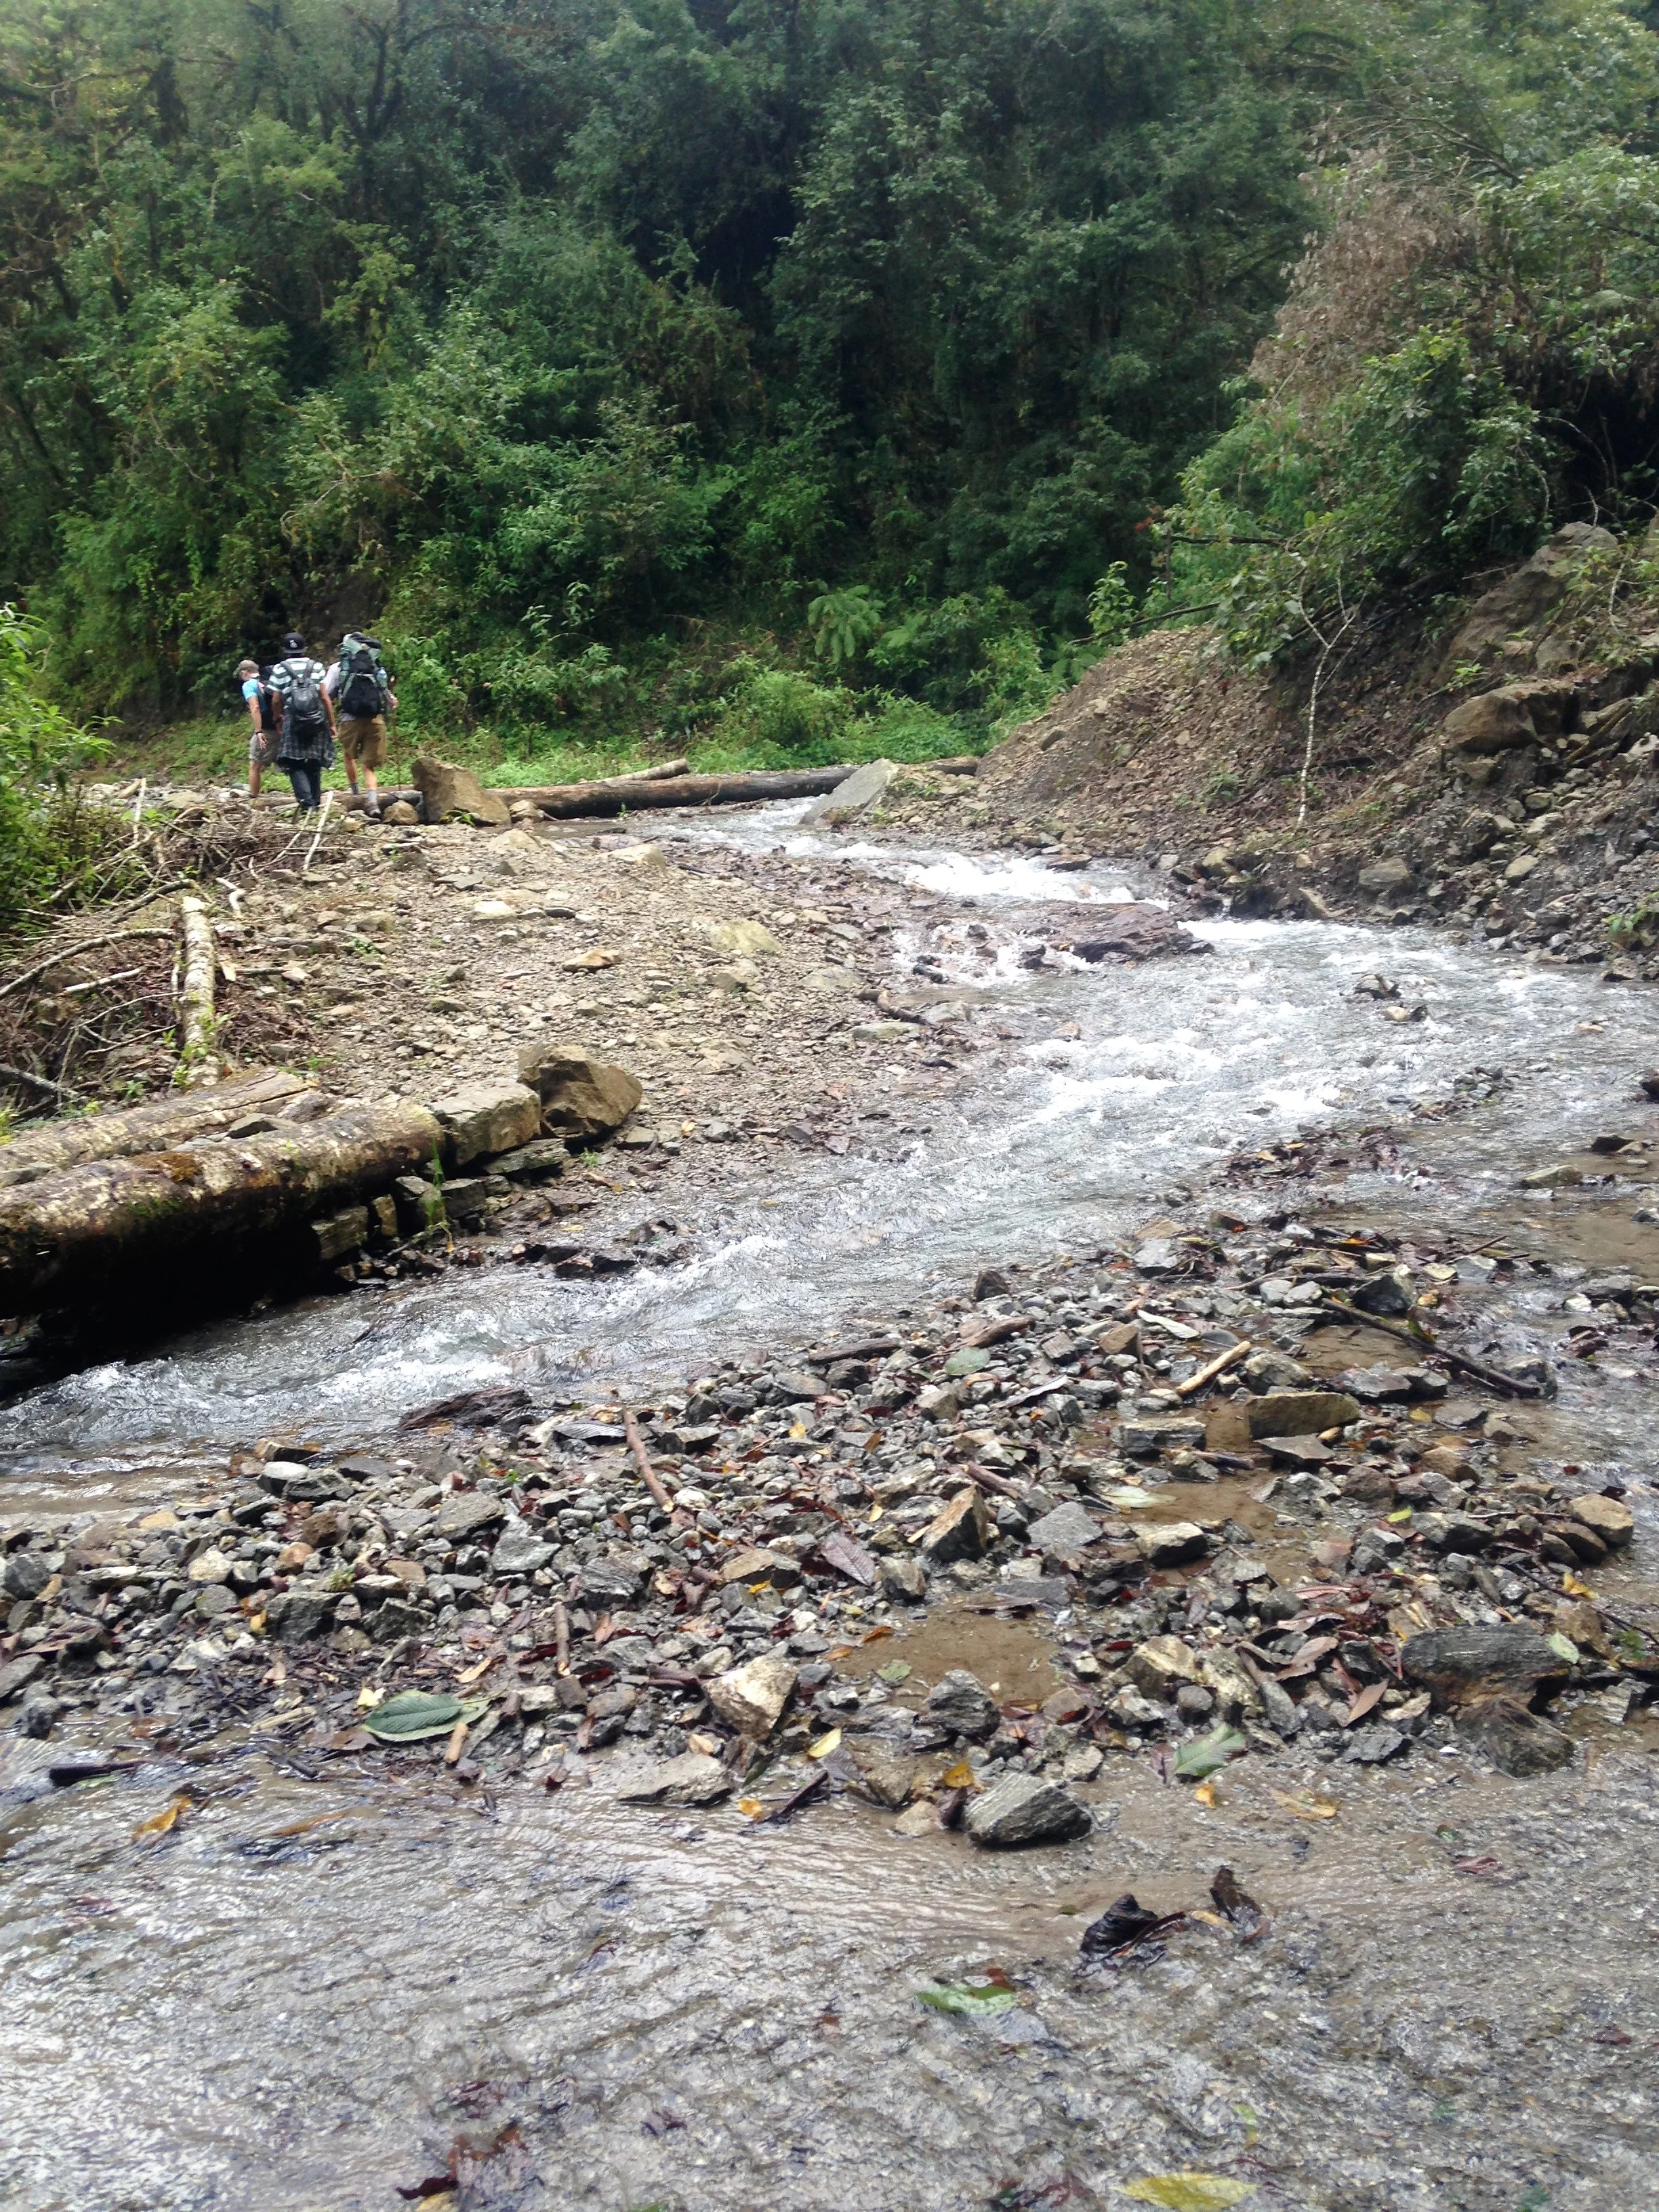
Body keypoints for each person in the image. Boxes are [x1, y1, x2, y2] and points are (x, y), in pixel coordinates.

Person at [325, 632, 396, 821]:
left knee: (349, 755)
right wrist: (391, 703)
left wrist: (329, 718)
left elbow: (326, 694)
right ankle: (372, 802)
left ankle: (356, 794)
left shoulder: (338, 668)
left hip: (349, 719)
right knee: (369, 765)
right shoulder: (375, 666)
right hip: (375, 718)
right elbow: (387, 696)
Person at [267, 631, 337, 815]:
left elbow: (275, 699)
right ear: (304, 649)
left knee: (293, 762)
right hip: (317, 719)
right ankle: (315, 801)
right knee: (314, 761)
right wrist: (331, 723)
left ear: (285, 651)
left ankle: (307, 805)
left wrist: (277, 720)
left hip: (293, 719)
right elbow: (324, 696)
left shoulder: (280, 669)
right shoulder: (316, 666)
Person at [237, 657, 280, 800]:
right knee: (292, 762)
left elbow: (255, 707)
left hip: (267, 729)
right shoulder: (270, 681)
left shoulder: (249, 685)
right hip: (283, 726)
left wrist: (258, 731)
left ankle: (254, 799)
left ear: (245, 673)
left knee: (255, 763)